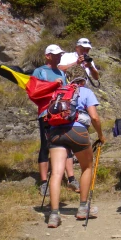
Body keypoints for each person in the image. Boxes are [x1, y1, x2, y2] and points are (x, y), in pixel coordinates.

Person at [42, 60, 105, 228]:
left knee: (56, 173)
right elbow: (95, 117)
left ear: (68, 78)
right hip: (77, 132)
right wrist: (100, 135)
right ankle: (83, 208)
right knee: (87, 167)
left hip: (55, 133)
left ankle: (54, 215)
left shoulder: (57, 92)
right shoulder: (85, 91)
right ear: (83, 78)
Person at [32, 45, 79, 198]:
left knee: (66, 143)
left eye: (60, 54)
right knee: (46, 145)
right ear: (48, 56)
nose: (59, 57)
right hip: (46, 113)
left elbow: (64, 92)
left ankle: (71, 178)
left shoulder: (61, 72)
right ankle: (44, 181)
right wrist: (52, 85)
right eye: (56, 54)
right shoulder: (39, 71)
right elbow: (34, 92)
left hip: (62, 114)